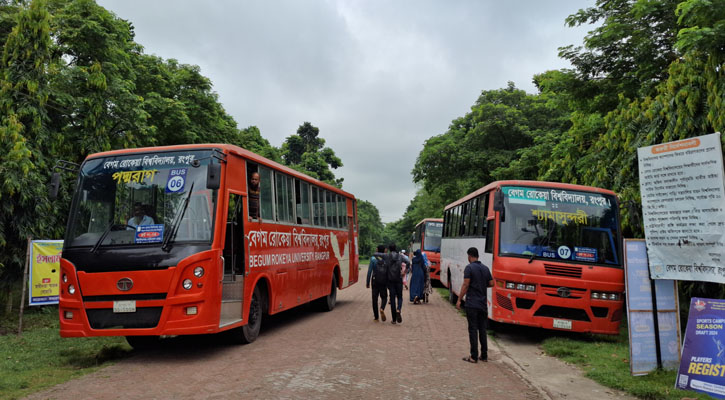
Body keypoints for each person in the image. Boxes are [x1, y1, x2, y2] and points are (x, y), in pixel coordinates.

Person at [457, 247, 494, 363]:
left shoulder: (469, 268)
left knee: (473, 329)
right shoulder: (485, 268)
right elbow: (492, 283)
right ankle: (484, 355)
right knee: (482, 329)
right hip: (483, 304)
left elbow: (466, 284)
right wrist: (481, 285)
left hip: (472, 303)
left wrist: (459, 299)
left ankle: (473, 356)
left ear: (469, 256)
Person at [366, 245, 388, 322]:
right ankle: (382, 308)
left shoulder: (373, 259)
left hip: (375, 281)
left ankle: (376, 317)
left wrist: (367, 282)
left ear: (377, 250)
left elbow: (369, 271)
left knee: (374, 299)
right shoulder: (386, 258)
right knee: (384, 297)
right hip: (383, 281)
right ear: (384, 251)